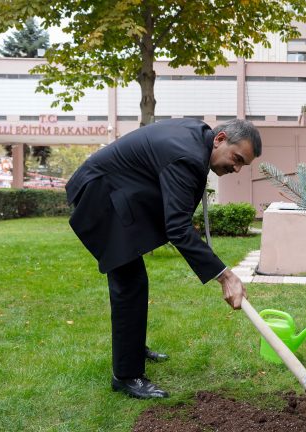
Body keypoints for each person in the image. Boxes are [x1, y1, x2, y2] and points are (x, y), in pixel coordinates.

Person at [65, 118, 261, 399]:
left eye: (243, 164)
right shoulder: (188, 155)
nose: (237, 168)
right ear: (219, 139)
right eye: (237, 158)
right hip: (100, 194)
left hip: (115, 189)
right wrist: (225, 276)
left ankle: (132, 349)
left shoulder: (197, 141)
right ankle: (126, 375)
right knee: (129, 283)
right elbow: (178, 228)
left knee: (134, 281)